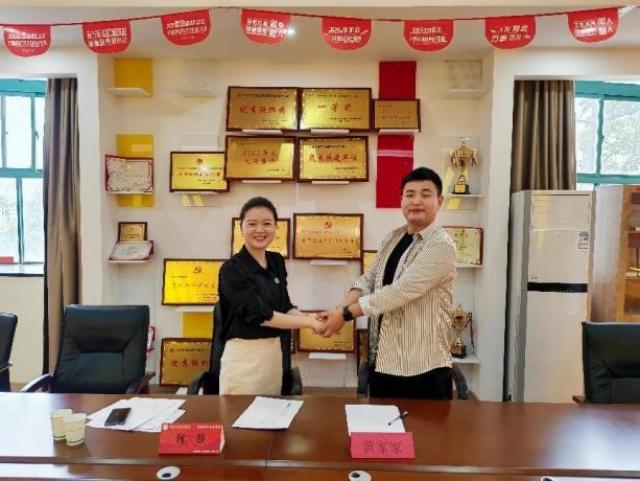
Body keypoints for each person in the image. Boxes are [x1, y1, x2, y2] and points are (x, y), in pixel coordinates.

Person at [319, 167, 456, 399]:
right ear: (401, 200)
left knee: (424, 425)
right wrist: (339, 309)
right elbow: (369, 279)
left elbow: (400, 292)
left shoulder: (441, 245)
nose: (416, 201)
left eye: (425, 194)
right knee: (384, 423)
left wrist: (345, 315)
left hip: (422, 367)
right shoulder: (393, 238)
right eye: (410, 194)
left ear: (439, 202)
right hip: (384, 360)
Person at [217, 196, 324, 395]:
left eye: (267, 223)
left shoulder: (276, 261)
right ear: (241, 228)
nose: (260, 230)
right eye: (252, 224)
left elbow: (285, 306)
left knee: (271, 411)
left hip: (273, 356)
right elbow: (261, 316)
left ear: (275, 228)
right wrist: (309, 323)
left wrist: (310, 317)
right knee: (239, 414)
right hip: (243, 360)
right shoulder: (231, 269)